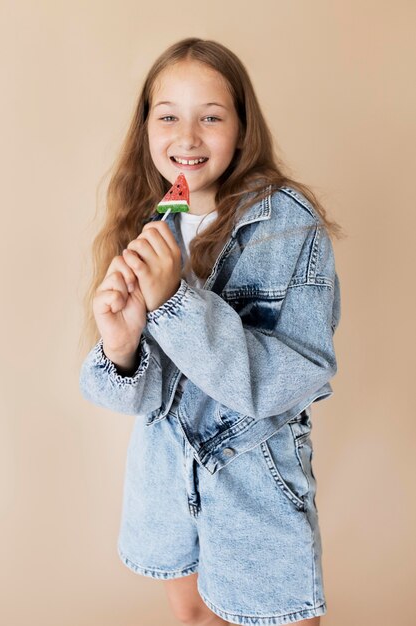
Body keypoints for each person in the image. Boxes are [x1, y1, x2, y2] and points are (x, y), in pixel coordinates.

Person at [79, 37, 343, 626]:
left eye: (211, 117)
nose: (187, 136)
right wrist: (120, 349)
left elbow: (297, 374)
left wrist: (175, 301)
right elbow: (142, 396)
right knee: (194, 618)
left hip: (252, 487)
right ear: (145, 128)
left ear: (243, 130)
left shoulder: (287, 225)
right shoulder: (148, 221)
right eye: (168, 116)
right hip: (164, 481)